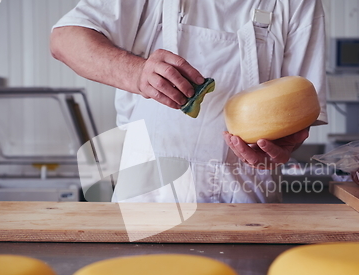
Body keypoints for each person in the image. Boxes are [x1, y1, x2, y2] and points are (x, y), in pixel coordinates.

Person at [50, 0, 328, 203]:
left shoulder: (299, 4)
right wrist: (137, 73)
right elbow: (65, 39)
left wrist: (284, 144)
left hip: (248, 207)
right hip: (147, 200)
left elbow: (302, 107)